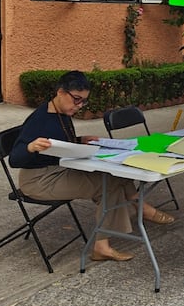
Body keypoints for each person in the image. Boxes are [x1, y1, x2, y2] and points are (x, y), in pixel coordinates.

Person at [9, 71, 174, 262]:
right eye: (76, 100)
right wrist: (30, 147)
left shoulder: (61, 112)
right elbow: (15, 159)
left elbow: (58, 141)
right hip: (40, 180)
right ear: (61, 92)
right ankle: (105, 243)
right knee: (107, 184)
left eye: (83, 102)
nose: (79, 106)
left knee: (114, 172)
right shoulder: (39, 120)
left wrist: (78, 140)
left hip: (61, 169)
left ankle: (138, 207)